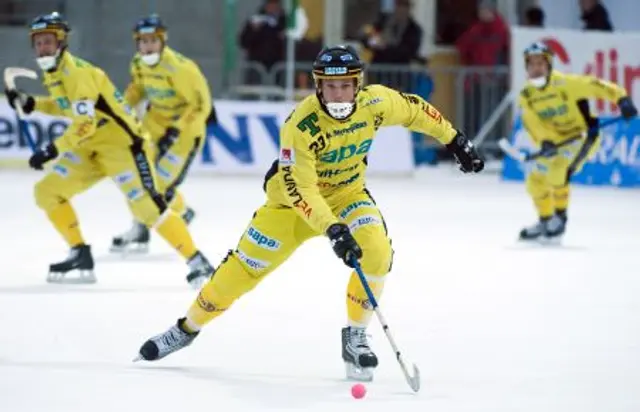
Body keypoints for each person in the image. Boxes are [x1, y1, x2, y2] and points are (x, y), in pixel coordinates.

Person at [135, 45, 484, 382]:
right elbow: (302, 189)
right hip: (290, 207)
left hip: (348, 195)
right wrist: (333, 230)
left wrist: (454, 140)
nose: (338, 94)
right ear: (318, 85)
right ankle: (186, 328)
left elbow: (414, 110)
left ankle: (356, 336)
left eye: (345, 85)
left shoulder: (375, 102)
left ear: (357, 84)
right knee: (238, 275)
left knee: (377, 253)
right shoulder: (300, 125)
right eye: (330, 86)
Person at [4, 12, 215, 287]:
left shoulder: (78, 73)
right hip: (91, 145)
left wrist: (52, 150)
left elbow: (84, 122)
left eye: (48, 41)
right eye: (38, 42)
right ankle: (80, 254)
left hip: (123, 147)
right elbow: (71, 108)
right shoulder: (55, 74)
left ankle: (198, 262)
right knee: (47, 191)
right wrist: (33, 103)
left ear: (61, 42)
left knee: (148, 208)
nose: (43, 47)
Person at [110, 14, 216, 254]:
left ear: (162, 41)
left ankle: (171, 215)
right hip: (153, 124)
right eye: (143, 41)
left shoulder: (181, 68)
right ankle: (142, 226)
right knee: (136, 176)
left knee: (159, 186)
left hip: (185, 134)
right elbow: (137, 89)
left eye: (152, 41)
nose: (148, 46)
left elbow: (201, 105)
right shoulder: (138, 63)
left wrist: (176, 130)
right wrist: (119, 110)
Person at [517, 42, 637, 242]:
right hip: (556, 141)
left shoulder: (567, 84)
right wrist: (544, 141)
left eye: (540, 63)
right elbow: (532, 123)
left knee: (558, 170)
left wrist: (621, 99)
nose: (536, 68)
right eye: (531, 64)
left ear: (549, 65)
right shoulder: (527, 95)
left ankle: (560, 219)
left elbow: (596, 86)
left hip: (582, 137)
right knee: (535, 179)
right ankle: (545, 220)